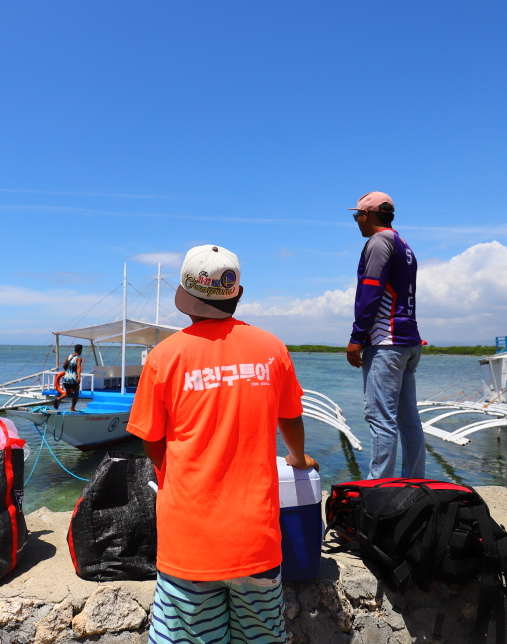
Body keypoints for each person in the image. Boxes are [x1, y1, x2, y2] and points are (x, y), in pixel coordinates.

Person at [127, 244, 318, 644]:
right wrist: (298, 460)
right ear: (239, 294)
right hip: (256, 541)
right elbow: (291, 419)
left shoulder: (165, 356)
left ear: (184, 295)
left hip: (188, 542)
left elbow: (152, 442)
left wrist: (170, 476)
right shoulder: (272, 349)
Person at [345, 191, 425, 480]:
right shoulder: (403, 244)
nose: (356, 221)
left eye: (357, 215)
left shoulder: (378, 242)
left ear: (368, 215)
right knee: (408, 419)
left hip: (385, 341)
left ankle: (379, 487)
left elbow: (371, 289)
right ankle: (415, 481)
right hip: (409, 341)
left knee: (381, 420)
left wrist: (358, 336)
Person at [54, 344, 84, 411]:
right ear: (80, 350)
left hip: (66, 378)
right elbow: (78, 368)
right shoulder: (79, 358)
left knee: (68, 392)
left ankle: (58, 399)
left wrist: (68, 371)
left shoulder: (70, 356)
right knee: (76, 392)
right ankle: (72, 408)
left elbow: (64, 365)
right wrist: (79, 377)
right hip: (73, 378)